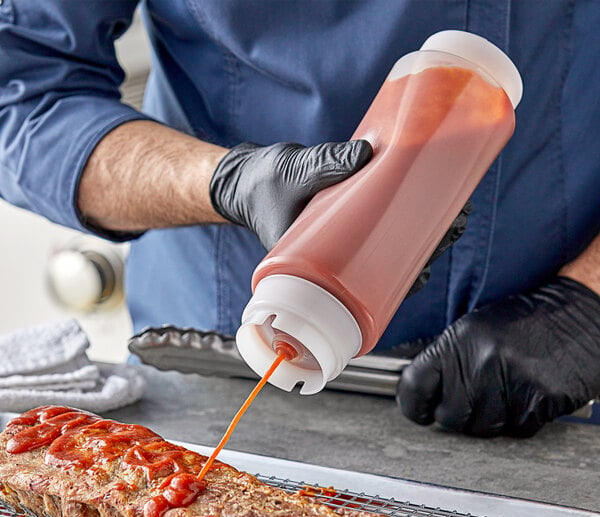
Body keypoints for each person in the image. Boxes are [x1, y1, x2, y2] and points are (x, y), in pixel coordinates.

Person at [1, 1, 599, 438]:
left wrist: (588, 308)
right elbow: (24, 94)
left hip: (555, 392)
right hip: (216, 377)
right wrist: (228, 182)